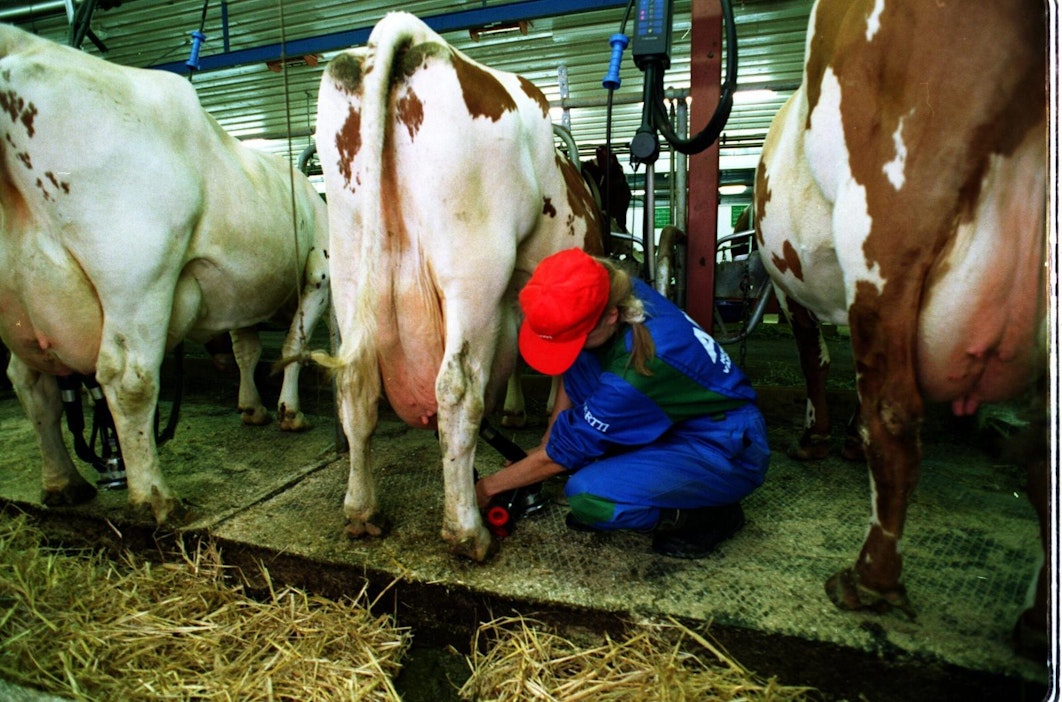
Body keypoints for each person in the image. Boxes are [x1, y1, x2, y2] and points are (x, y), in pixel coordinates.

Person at [475, 247, 770, 558]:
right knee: (583, 366)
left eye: (574, 340)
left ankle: (709, 513)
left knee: (589, 497)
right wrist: (545, 444)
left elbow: (563, 455)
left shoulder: (637, 372)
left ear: (611, 317)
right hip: (675, 419)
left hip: (723, 446)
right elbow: (574, 366)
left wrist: (487, 488)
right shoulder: (616, 290)